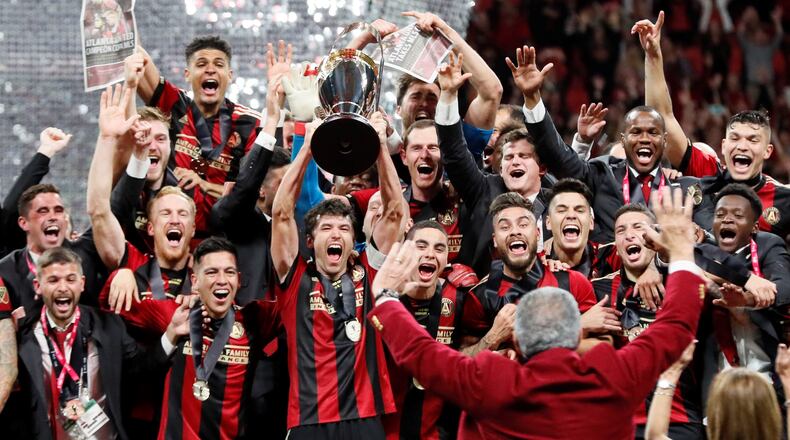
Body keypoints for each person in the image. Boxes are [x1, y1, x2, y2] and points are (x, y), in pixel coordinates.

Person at [368, 186, 706, 439]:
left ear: (521, 340)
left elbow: (423, 356)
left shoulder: (493, 380)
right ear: (575, 334)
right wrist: (681, 254)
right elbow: (675, 328)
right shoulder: (612, 374)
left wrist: (384, 296)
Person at [270, 111, 406, 437]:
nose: (336, 235)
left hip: (365, 418)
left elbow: (395, 211)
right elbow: (281, 212)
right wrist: (307, 146)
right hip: (309, 421)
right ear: (309, 240)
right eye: (326, 228)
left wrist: (381, 146)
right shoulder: (295, 277)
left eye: (344, 228)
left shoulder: (368, 268)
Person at [636, 11, 790, 243]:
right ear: (724, 146)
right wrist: (653, 56)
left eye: (752, 140)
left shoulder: (783, 198)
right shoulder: (706, 173)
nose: (742, 146)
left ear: (768, 151)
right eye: (736, 139)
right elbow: (663, 119)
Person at [14, 247, 188, 440]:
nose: (63, 287)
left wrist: (171, 333)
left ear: (82, 284)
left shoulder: (108, 325)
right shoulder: (23, 336)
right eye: (53, 280)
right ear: (38, 286)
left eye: (70, 279)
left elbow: (141, 367)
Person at [381, 220, 507, 439]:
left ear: (447, 259)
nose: (430, 254)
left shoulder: (460, 298)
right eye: (421, 246)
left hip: (441, 431)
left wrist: (492, 338)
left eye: (439, 249)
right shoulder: (383, 298)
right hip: (387, 429)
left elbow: (466, 364)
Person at [434, 52, 554, 276]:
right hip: (483, 299)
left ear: (543, 168)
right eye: (508, 157)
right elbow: (454, 153)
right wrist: (449, 96)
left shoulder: (557, 201)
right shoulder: (484, 189)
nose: (514, 161)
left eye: (524, 156)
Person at [594, 204, 704, 438]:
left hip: (681, 421)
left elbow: (711, 273)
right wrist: (581, 324)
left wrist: (660, 262)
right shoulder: (597, 290)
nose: (629, 235)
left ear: (655, 235)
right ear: (615, 244)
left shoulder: (680, 283)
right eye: (620, 231)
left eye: (638, 227)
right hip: (621, 422)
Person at [123, 35, 263, 189]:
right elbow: (137, 58)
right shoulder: (175, 105)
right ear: (187, 74)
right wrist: (121, 16)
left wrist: (204, 185)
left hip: (224, 213)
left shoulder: (249, 122)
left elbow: (254, 191)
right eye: (201, 64)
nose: (210, 70)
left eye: (218, 64)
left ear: (230, 75)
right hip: (171, 211)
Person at [695, 184, 790, 405]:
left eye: (738, 215)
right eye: (720, 215)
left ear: (754, 227)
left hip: (767, 379)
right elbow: (683, 254)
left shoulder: (767, 245)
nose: (727, 220)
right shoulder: (702, 250)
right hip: (716, 386)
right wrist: (745, 279)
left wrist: (746, 300)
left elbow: (784, 288)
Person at [0, 127, 72, 258]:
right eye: (43, 211)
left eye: (58, 210)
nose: (52, 218)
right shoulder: (10, 265)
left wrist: (46, 151)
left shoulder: (82, 257)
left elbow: (11, 210)